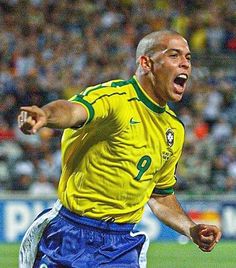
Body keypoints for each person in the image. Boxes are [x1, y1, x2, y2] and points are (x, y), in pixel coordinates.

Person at [18, 30, 221, 268]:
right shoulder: (116, 99)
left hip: (120, 247)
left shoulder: (173, 129)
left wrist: (192, 229)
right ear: (146, 63)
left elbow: (159, 195)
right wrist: (45, 114)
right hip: (70, 235)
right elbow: (72, 110)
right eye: (174, 55)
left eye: (188, 57)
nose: (185, 63)